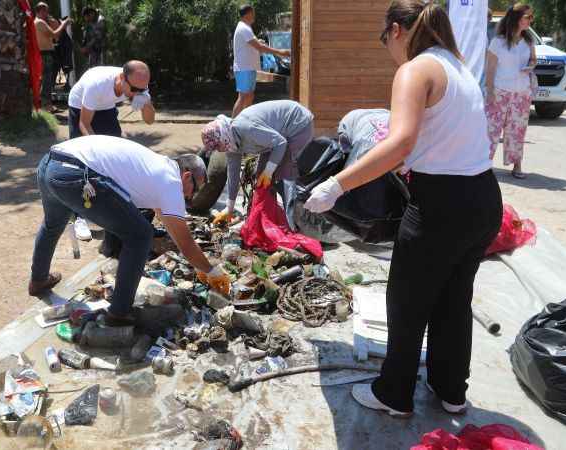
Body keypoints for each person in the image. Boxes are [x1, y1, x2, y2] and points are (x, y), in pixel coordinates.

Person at [304, 1, 502, 417]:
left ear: (396, 30)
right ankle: (451, 392)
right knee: (453, 298)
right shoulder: (457, 64)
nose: (389, 50)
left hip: (441, 204)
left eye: (384, 40)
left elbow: (400, 143)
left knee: (407, 301)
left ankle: (394, 395)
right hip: (484, 199)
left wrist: (337, 184)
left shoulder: (414, 69)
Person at [29, 134, 231, 325]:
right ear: (187, 176)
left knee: (52, 224)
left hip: (51, 163)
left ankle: (38, 280)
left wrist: (198, 264)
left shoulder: (157, 167)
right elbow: (186, 244)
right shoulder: (171, 182)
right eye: (195, 188)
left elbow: (168, 222)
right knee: (140, 236)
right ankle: (119, 312)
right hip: (77, 174)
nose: (192, 196)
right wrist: (212, 271)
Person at [66, 60, 155, 247]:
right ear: (122, 79)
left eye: (143, 89)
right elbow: (84, 123)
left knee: (116, 158)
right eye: (135, 90)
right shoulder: (97, 84)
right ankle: (79, 217)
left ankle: (110, 213)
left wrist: (145, 101)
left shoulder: (138, 83)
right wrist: (98, 151)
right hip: (80, 107)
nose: (138, 93)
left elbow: (149, 121)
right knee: (83, 161)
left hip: (106, 108)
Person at [201, 100, 314, 225]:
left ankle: (297, 223)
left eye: (217, 146)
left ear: (223, 137)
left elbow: (280, 143)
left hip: (297, 124)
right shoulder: (231, 143)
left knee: (285, 175)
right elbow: (233, 174)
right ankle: (268, 220)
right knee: (261, 177)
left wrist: (269, 170)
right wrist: (230, 207)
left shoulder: (247, 128)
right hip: (276, 137)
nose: (217, 150)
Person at [485, 3, 535, 179]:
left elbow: (533, 60)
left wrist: (530, 66)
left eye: (531, 17)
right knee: (491, 130)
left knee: (517, 131)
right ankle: (484, 165)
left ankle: (517, 165)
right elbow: (490, 68)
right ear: (516, 18)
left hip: (522, 92)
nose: (531, 20)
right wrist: (489, 91)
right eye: (527, 16)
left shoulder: (529, 41)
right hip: (499, 90)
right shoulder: (497, 42)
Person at [232, 4, 290, 118]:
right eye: (253, 13)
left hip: (248, 68)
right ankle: (232, 125)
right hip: (244, 68)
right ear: (248, 14)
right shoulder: (244, 28)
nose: (254, 15)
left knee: (249, 96)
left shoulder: (245, 28)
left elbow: (253, 44)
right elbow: (259, 48)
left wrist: (258, 41)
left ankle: (245, 121)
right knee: (243, 97)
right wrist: (280, 52)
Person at [34, 2, 72, 108]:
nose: (48, 13)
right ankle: (46, 105)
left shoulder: (41, 22)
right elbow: (55, 34)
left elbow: (56, 36)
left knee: (47, 80)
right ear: (41, 11)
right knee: (47, 81)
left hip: (46, 54)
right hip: (44, 54)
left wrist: (56, 22)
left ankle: (46, 104)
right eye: (46, 11)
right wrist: (64, 23)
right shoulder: (40, 22)